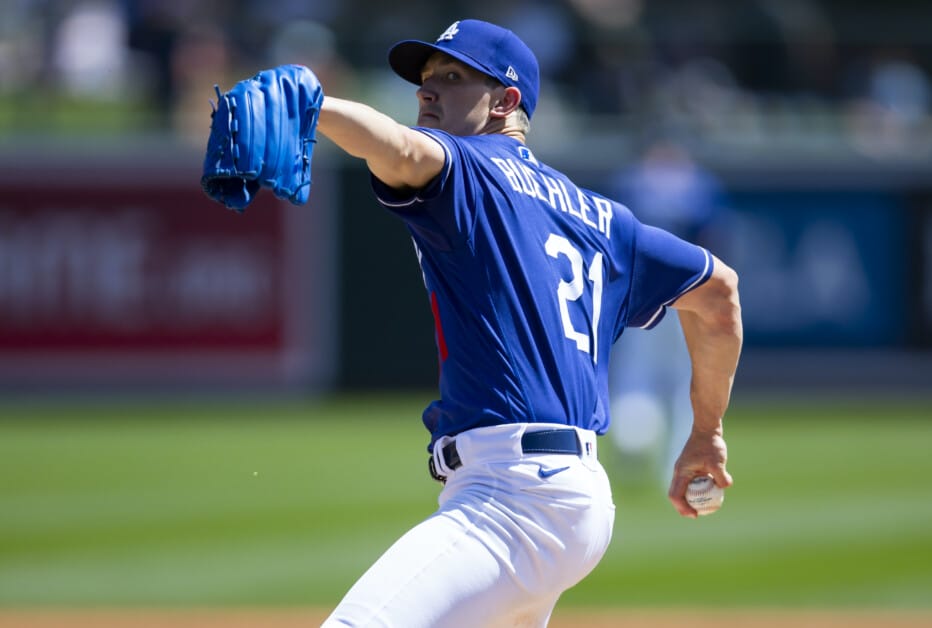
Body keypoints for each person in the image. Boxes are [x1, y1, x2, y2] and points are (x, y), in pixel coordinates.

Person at [316, 19, 742, 627]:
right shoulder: (604, 217)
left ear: (505, 101)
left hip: (512, 496)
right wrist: (706, 432)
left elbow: (402, 150)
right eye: (425, 80)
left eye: (453, 77)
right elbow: (719, 290)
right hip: (573, 498)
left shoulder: (473, 169)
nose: (426, 92)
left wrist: (312, 107)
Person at [607, 139, 727, 489]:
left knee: (635, 375)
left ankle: (632, 435)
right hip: (688, 298)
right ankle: (677, 465)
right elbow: (715, 240)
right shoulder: (698, 183)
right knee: (685, 382)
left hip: (638, 297)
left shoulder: (630, 182)